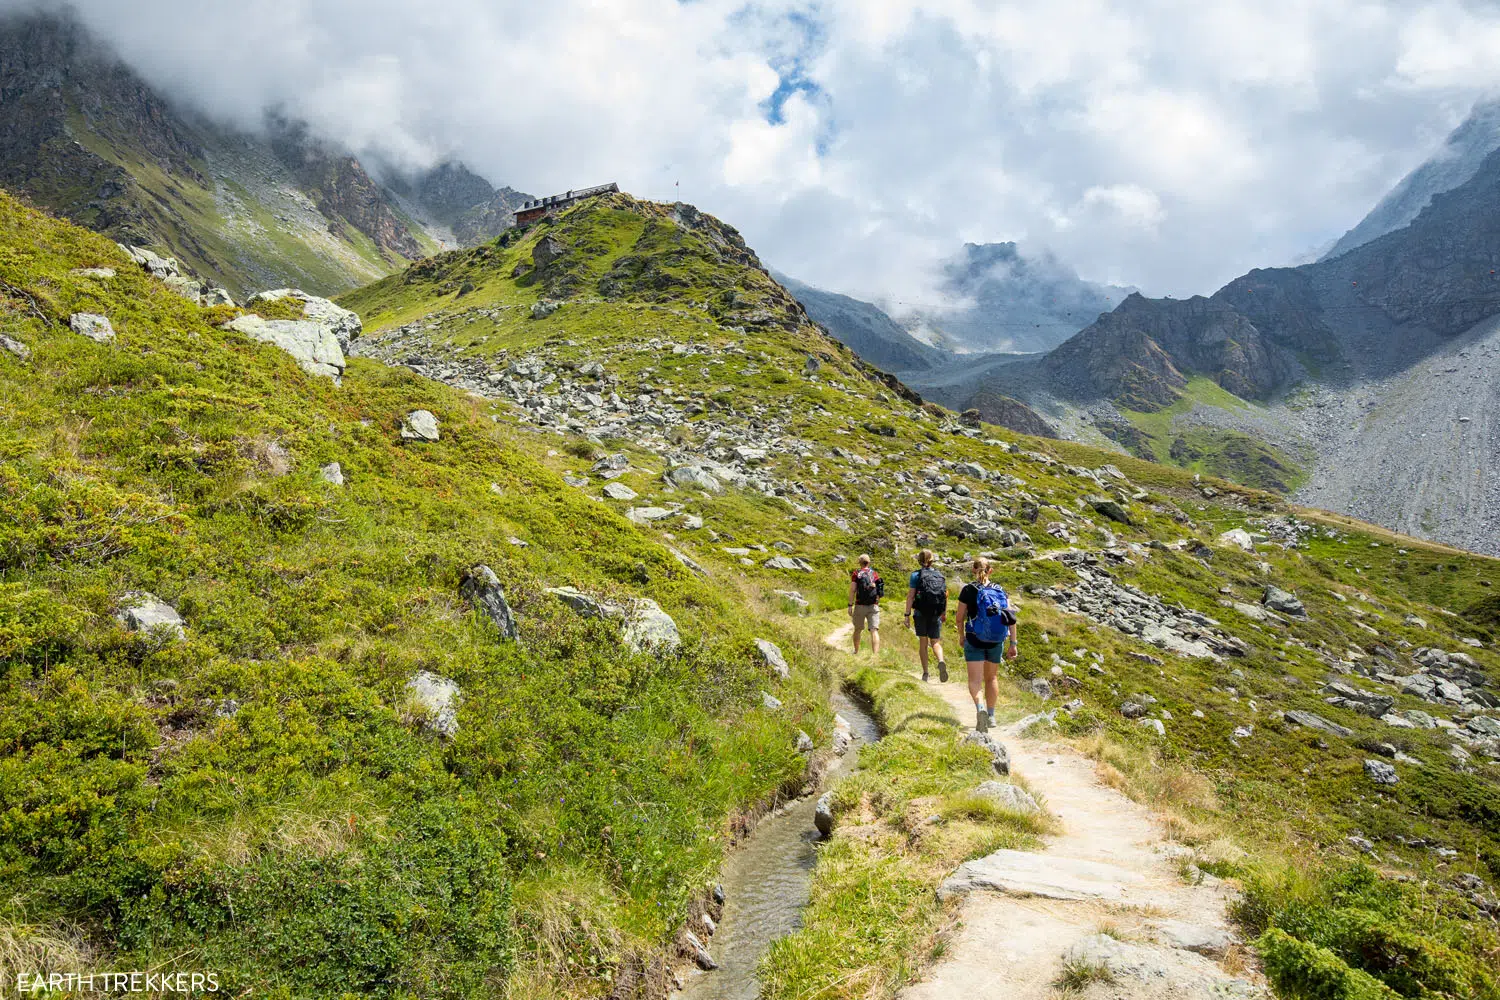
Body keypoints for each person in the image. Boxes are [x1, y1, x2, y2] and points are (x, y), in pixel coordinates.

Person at [952, 557, 1018, 732]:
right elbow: (1011, 619)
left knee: (975, 681)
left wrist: (961, 635)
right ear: (991, 571)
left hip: (974, 638)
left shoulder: (968, 590)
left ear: (973, 570)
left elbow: (959, 618)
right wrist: (1013, 643)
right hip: (996, 641)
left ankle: (980, 708)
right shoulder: (1000, 590)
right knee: (992, 678)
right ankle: (991, 715)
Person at [904, 549, 948, 682]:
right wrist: (943, 613)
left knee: (923, 643)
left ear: (919, 560)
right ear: (932, 560)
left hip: (920, 613)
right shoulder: (939, 575)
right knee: (935, 642)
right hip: (935, 613)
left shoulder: (916, 575)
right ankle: (941, 660)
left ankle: (925, 673)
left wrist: (907, 615)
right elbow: (945, 596)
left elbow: (911, 596)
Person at [847, 553, 883, 655]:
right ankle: (875, 655)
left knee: (858, 629)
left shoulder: (856, 573)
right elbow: (879, 589)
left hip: (860, 605)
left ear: (860, 563)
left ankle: (856, 651)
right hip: (873, 605)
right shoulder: (874, 573)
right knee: (874, 630)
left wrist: (850, 605)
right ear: (869, 562)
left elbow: (852, 590)